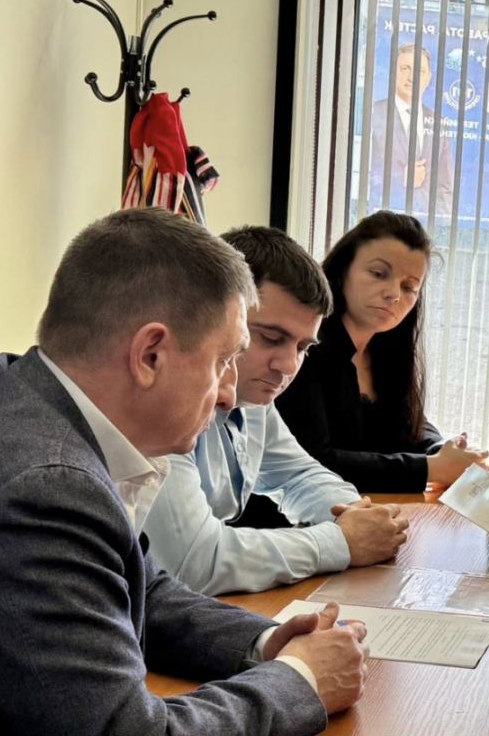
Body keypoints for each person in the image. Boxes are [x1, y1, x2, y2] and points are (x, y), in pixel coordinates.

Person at [0, 210, 370, 736]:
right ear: (150, 354)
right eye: (223, 361)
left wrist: (266, 642)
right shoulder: (47, 487)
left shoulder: (21, 396)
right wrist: (301, 681)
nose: (230, 393)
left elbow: (139, 585)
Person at [143, 226, 409, 596]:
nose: (287, 366)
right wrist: (340, 542)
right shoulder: (162, 400)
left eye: (302, 348)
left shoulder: (255, 401)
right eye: (270, 338)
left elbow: (299, 476)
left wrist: (357, 516)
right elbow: (193, 562)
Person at [276, 212, 486, 493]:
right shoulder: (305, 347)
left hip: (373, 508)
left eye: (409, 287)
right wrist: (431, 468)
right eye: (378, 274)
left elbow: (410, 423)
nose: (394, 294)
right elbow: (315, 461)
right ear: (342, 270)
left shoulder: (387, 352)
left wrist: (440, 449)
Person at [368, 43, 456, 213]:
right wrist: (402, 179)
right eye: (405, 69)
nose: (411, 77)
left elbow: (445, 187)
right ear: (394, 72)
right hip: (384, 220)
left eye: (419, 71)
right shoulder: (374, 113)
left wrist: (440, 222)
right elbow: (365, 173)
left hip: (425, 223)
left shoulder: (439, 123)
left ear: (428, 78)